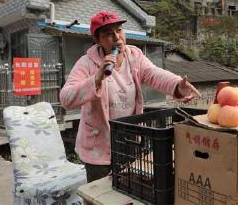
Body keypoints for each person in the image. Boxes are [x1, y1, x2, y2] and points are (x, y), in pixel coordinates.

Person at [60, 10, 201, 182]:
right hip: (98, 148)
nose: (117, 38)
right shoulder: (86, 63)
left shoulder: (134, 56)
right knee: (99, 196)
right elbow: (66, 99)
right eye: (108, 34)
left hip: (129, 143)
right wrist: (96, 78)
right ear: (97, 40)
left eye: (119, 30)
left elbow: (153, 74)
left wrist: (178, 85)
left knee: (129, 190)